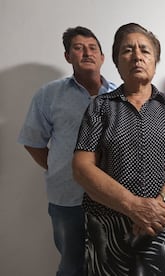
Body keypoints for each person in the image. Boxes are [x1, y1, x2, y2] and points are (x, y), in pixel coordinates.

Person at [72, 22, 165, 276]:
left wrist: (160, 205)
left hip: (161, 224)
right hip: (109, 225)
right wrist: (133, 206)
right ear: (117, 63)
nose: (137, 56)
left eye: (145, 50)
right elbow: (82, 167)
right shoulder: (100, 107)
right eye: (128, 50)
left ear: (155, 61)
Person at [17, 26, 117, 276]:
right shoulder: (49, 94)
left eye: (93, 48)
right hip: (67, 197)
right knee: (72, 265)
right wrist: (60, 166)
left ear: (103, 57)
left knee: (110, 263)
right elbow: (33, 141)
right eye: (78, 48)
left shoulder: (119, 96)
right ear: (67, 56)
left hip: (111, 196)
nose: (87, 53)